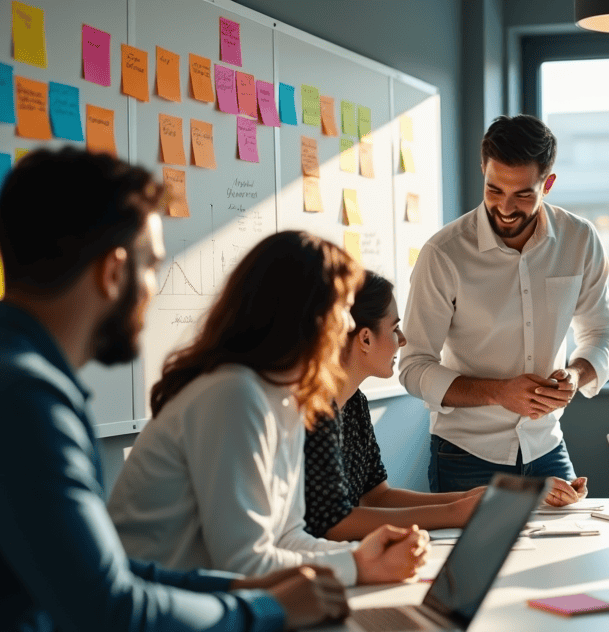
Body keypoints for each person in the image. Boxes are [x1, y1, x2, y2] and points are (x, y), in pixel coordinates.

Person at [0, 149, 348, 632]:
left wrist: (241, 586)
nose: (155, 287)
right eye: (153, 265)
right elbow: (116, 622)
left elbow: (106, 572)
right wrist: (268, 608)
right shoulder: (24, 399)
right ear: (114, 271)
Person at [109, 231, 428, 587]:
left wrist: (359, 558)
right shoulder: (234, 394)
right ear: (306, 316)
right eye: (342, 309)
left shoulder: (287, 400)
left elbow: (287, 538)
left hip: (206, 602)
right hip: (156, 609)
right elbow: (244, 562)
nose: (350, 324)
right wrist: (357, 568)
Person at [399, 114, 609, 505]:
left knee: (563, 558)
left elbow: (601, 333)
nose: (504, 207)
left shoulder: (580, 240)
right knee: (472, 566)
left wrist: (575, 374)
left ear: (547, 184)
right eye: (494, 189)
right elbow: (414, 367)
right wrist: (500, 393)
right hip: (465, 455)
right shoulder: (443, 254)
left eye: (523, 195)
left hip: (546, 448)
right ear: (483, 169)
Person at [304, 272, 486, 540]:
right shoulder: (314, 410)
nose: (402, 340)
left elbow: (377, 496)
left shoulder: (354, 403)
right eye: (394, 329)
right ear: (365, 339)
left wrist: (465, 498)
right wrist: (454, 513)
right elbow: (333, 523)